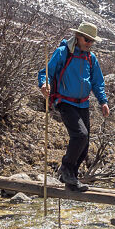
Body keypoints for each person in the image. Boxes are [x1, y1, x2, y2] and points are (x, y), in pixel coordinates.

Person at [38, 22, 109, 191]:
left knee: (84, 147)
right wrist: (44, 84)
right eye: (87, 39)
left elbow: (97, 82)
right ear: (77, 37)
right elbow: (46, 72)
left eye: (92, 41)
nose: (89, 43)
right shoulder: (63, 52)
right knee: (80, 135)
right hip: (65, 102)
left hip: (83, 104)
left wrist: (103, 101)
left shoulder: (91, 59)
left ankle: (71, 179)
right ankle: (66, 169)